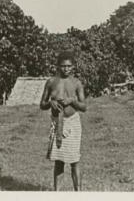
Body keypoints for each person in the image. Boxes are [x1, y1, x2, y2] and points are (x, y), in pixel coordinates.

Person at [40, 51, 87, 191]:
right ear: (57, 66)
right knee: (59, 161)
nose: (66, 69)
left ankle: (78, 193)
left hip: (72, 123)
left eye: (69, 66)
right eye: (63, 66)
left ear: (73, 67)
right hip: (57, 123)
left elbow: (84, 107)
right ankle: (57, 194)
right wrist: (51, 103)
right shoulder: (51, 82)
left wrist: (72, 101)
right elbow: (42, 104)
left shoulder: (76, 83)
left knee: (74, 160)